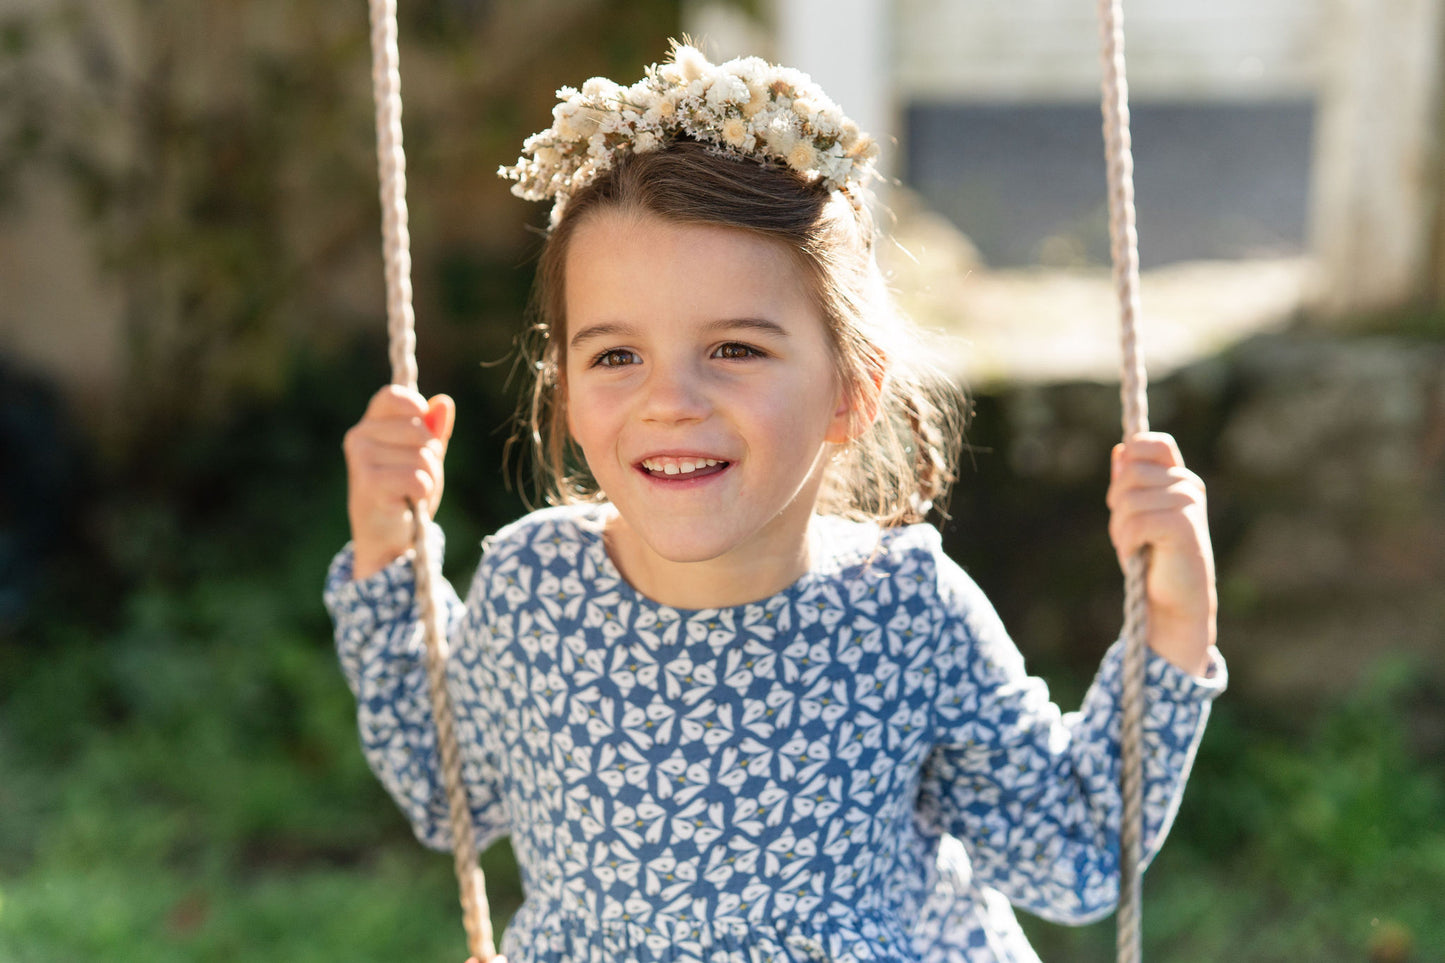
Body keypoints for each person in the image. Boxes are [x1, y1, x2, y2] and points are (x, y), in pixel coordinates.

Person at [325, 42, 1224, 963]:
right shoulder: (535, 586)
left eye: (735, 349)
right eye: (614, 355)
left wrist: (1171, 624)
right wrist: (385, 555)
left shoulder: (901, 611)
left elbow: (1071, 852)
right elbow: (452, 790)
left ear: (851, 389)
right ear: (563, 391)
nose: (669, 400)